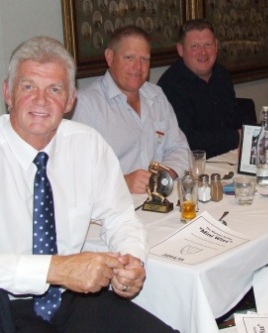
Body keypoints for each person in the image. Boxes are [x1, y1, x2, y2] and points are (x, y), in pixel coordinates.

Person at [1, 36, 179, 332]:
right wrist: (56, 269)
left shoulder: (87, 145)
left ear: (71, 100)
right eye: (28, 86)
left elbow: (120, 216)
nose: (41, 100)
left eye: (55, 89)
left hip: (72, 300)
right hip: (7, 305)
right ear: (8, 92)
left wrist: (131, 260)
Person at [72, 26, 189, 194]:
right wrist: (122, 183)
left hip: (159, 200)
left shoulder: (156, 96)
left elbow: (180, 148)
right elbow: (76, 175)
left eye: (145, 59)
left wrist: (163, 176)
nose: (138, 67)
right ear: (110, 57)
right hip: (111, 208)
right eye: (129, 58)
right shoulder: (86, 105)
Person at [157, 19, 243, 159]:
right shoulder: (170, 85)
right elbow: (187, 139)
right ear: (180, 50)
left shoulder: (222, 75)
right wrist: (237, 137)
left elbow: (234, 116)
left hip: (230, 156)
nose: (203, 52)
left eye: (208, 45)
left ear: (216, 46)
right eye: (195, 46)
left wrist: (251, 131)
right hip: (194, 166)